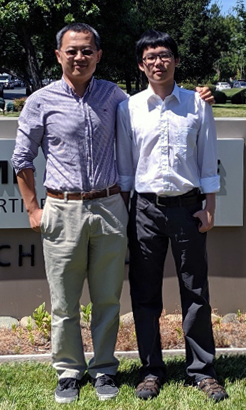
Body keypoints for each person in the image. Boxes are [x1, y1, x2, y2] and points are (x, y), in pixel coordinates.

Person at [11, 23, 213, 404]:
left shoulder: (116, 97)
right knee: (64, 302)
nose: (79, 57)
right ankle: (69, 371)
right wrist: (34, 209)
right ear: (58, 55)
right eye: (71, 51)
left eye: (87, 50)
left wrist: (199, 97)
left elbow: (160, 105)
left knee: (107, 299)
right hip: (63, 208)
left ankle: (104, 368)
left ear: (98, 55)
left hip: (108, 207)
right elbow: (21, 158)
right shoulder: (41, 100)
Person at [116, 29, 227, 402]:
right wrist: (127, 212)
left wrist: (210, 206)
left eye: (164, 56)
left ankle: (202, 370)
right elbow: (127, 171)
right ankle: (151, 371)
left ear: (176, 61)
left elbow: (207, 158)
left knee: (195, 292)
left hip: (187, 207)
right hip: (144, 209)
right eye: (150, 58)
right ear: (141, 65)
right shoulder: (129, 108)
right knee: (145, 294)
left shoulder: (197, 104)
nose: (157, 63)